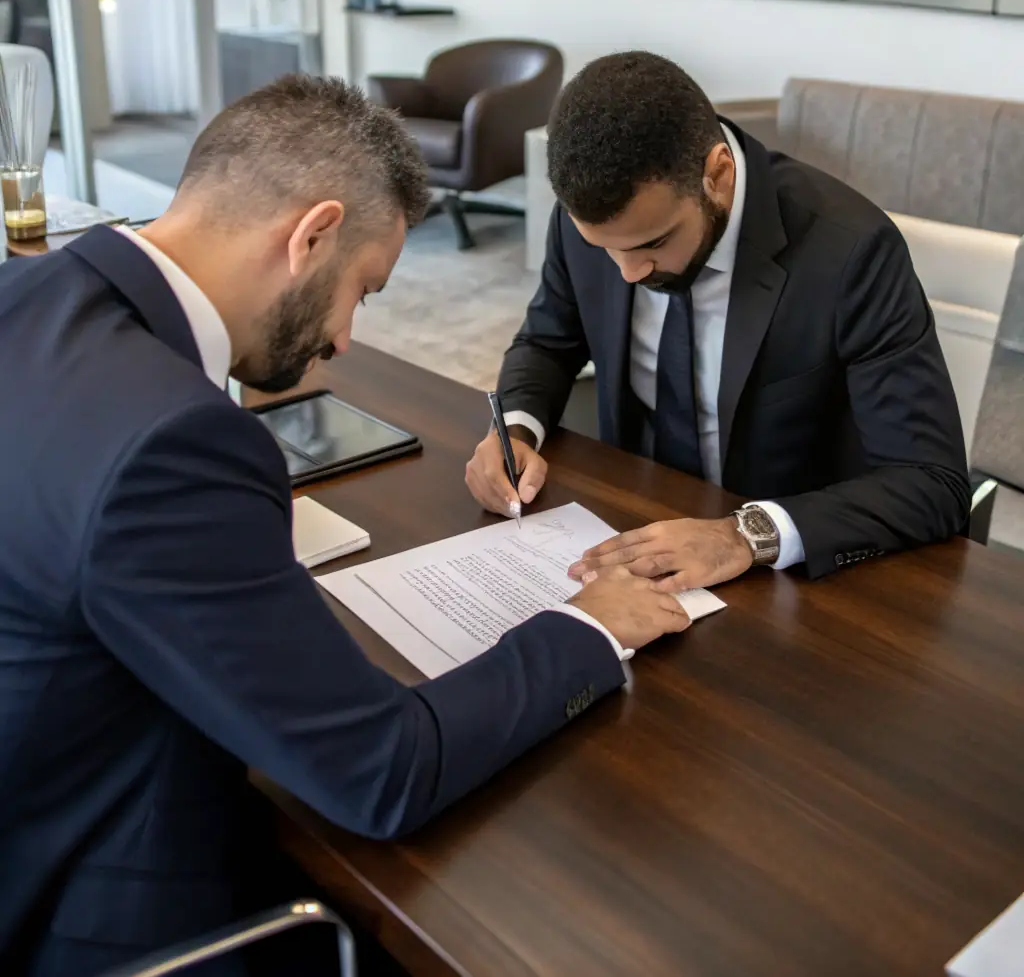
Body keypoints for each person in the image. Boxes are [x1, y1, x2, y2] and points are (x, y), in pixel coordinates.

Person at [0, 76, 691, 977]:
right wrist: (591, 625)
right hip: (87, 912)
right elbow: (380, 773)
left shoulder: (32, 292)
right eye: (362, 290)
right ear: (312, 234)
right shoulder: (176, 441)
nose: (346, 339)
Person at [467, 51, 969, 589]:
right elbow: (548, 341)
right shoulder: (592, 221)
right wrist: (514, 431)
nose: (629, 272)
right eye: (605, 249)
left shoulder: (851, 252)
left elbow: (931, 482)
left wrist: (742, 535)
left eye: (654, 242)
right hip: (633, 532)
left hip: (788, 583)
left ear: (717, 176)